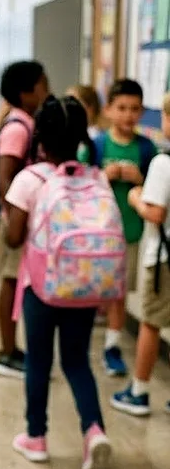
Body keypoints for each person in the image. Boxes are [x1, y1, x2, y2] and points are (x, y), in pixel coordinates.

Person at [5, 95, 113, 469]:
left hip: (41, 288)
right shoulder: (95, 177)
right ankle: (94, 429)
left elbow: (14, 238)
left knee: (39, 360)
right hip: (83, 285)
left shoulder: (30, 179)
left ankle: (36, 436)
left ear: (41, 136)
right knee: (77, 360)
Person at [91, 79, 156, 378]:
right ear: (108, 110)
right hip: (96, 233)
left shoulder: (146, 148)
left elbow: (156, 191)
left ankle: (112, 346)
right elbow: (81, 182)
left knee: (118, 292)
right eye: (122, 108)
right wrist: (104, 175)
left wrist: (140, 179)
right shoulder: (97, 145)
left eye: (135, 109)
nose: (128, 115)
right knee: (92, 288)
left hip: (129, 232)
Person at [111, 91, 170, 416]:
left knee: (151, 323)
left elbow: (156, 212)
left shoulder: (161, 161)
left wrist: (136, 197)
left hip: (162, 258)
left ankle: (140, 390)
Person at [0, 61, 50, 377]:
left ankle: (12, 348)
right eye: (42, 83)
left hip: (23, 221)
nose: (47, 89)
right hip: (15, 222)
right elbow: (5, 178)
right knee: (11, 283)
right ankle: (6, 351)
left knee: (16, 284)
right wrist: (15, 216)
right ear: (26, 91)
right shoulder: (18, 128)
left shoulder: (26, 121)